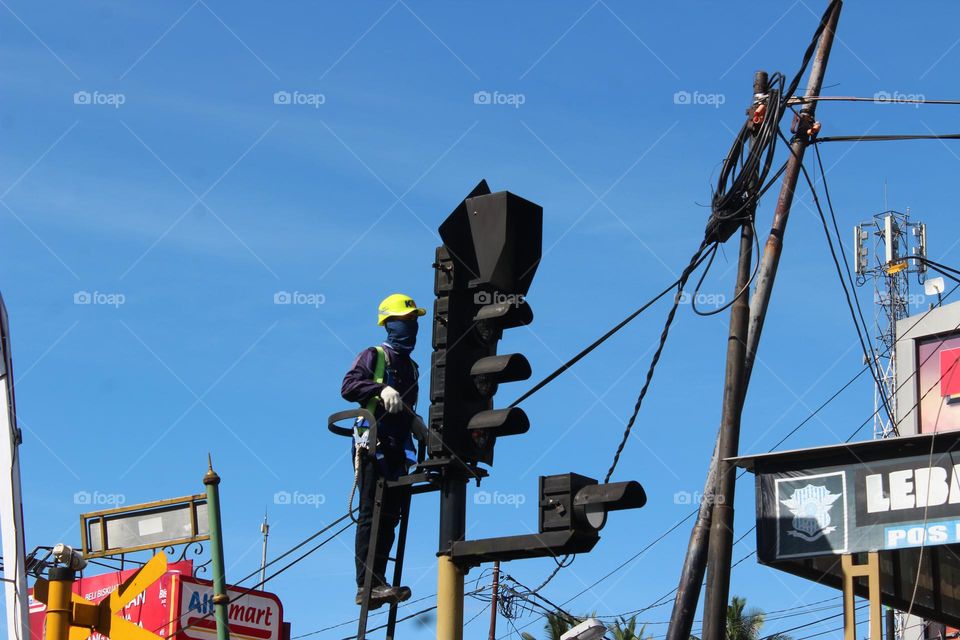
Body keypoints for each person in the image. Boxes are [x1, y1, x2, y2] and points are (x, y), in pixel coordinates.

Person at [341, 293, 427, 608]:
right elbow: (349, 386)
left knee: (390, 516)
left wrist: (415, 422)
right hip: (372, 444)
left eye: (415, 321)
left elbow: (405, 406)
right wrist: (381, 389)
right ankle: (366, 585)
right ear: (390, 323)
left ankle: (379, 582)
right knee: (370, 514)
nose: (412, 327)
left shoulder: (412, 367)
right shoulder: (375, 355)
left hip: (399, 449)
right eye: (407, 321)